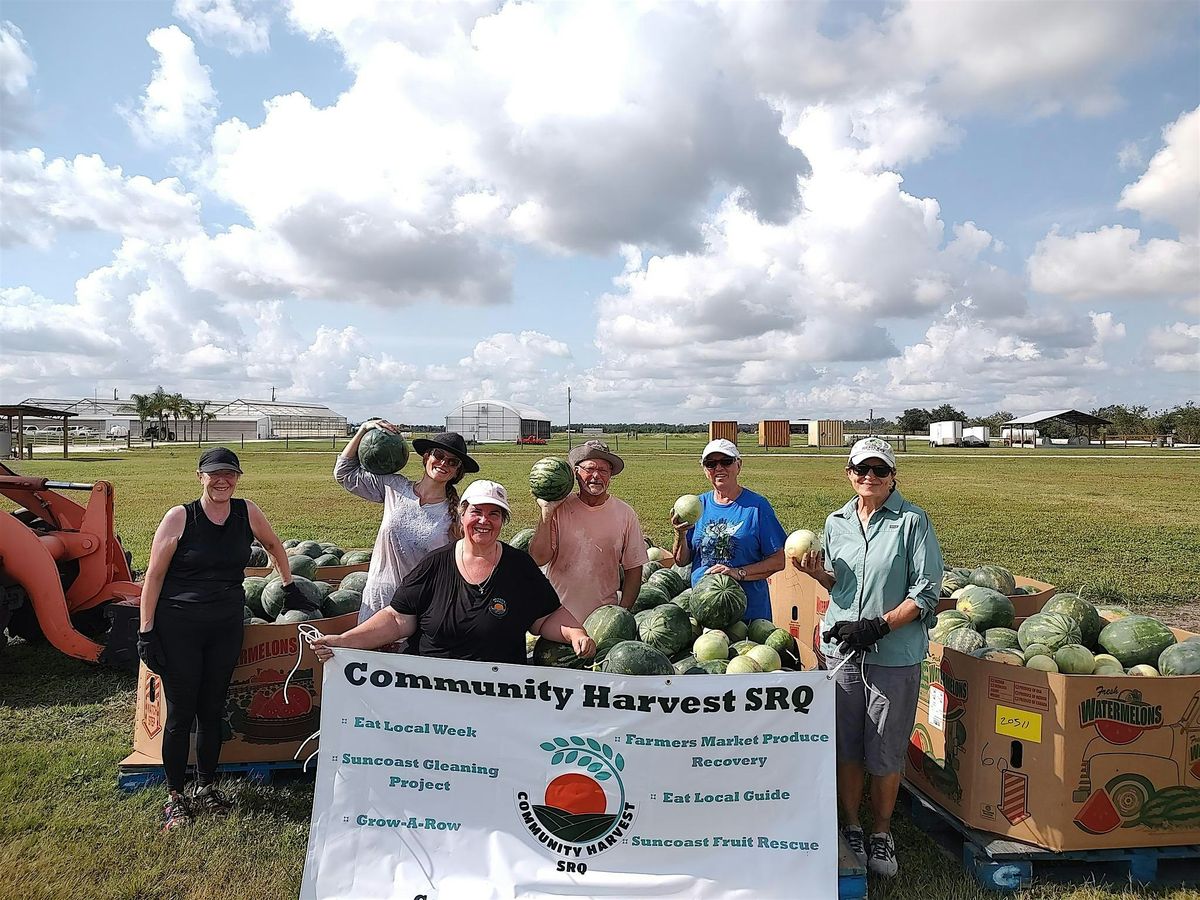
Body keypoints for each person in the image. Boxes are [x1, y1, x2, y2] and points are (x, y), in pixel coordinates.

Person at [137, 448, 313, 831]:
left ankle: (206, 787)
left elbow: (273, 545)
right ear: (200, 476)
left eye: (229, 474)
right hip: (179, 626)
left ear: (237, 478)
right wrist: (146, 630)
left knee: (212, 709)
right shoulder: (180, 516)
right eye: (214, 474)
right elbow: (153, 576)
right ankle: (174, 797)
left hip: (225, 626)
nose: (222, 480)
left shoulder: (246, 511)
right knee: (181, 714)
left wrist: (288, 584)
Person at [792, 436, 943, 878]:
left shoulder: (912, 521)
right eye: (862, 469)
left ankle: (881, 831)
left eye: (879, 470)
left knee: (885, 746)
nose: (870, 477)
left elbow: (927, 592)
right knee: (847, 743)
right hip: (841, 650)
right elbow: (838, 584)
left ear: (893, 475)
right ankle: (853, 825)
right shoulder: (836, 521)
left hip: (892, 652)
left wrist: (878, 626)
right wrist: (818, 573)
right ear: (849, 474)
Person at [313, 480, 595, 664]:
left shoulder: (519, 567)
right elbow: (398, 620)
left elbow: (546, 617)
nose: (484, 520)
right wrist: (344, 642)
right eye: (476, 512)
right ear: (461, 516)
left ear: (502, 521)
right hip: (434, 694)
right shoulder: (436, 564)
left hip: (500, 695)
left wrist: (575, 635)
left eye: (494, 514)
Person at [335, 427, 478, 626]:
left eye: (452, 461)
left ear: (457, 471)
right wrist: (364, 429)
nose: (444, 462)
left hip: (418, 609)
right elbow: (344, 473)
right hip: (378, 600)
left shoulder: (456, 515)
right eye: (439, 455)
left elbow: (462, 566)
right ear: (427, 457)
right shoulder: (394, 487)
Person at [527, 439, 649, 623]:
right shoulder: (558, 509)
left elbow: (633, 568)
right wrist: (547, 511)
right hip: (558, 617)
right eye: (589, 469)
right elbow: (538, 558)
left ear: (610, 475)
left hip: (603, 619)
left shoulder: (625, 514)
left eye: (603, 470)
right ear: (576, 473)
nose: (596, 476)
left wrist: (622, 611)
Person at [670, 439, 787, 621]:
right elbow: (681, 561)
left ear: (738, 465)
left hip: (749, 615)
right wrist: (680, 533)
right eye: (711, 464)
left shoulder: (757, 507)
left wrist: (738, 572)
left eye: (726, 462)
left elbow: (778, 561)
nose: (719, 468)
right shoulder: (698, 506)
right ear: (704, 469)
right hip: (705, 612)